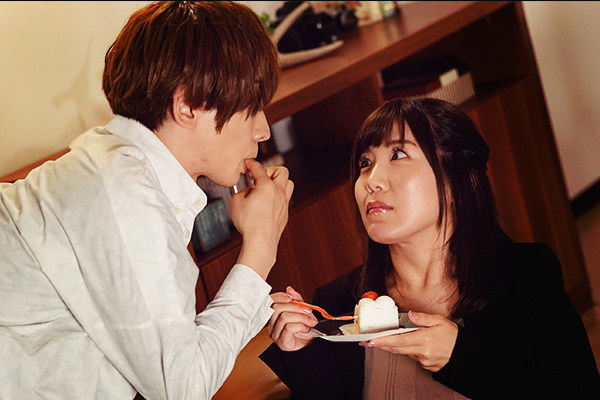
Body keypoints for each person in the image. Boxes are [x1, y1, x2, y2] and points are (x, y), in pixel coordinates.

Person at [0, 2, 294, 399]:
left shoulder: (119, 171)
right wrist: (261, 246)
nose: (262, 130)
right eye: (251, 108)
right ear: (187, 106)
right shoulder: (124, 198)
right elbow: (183, 387)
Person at [260, 97, 600, 399]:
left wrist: (459, 356)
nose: (371, 181)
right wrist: (302, 354)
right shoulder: (336, 304)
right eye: (365, 163)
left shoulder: (525, 276)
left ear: (461, 179)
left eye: (398, 154)